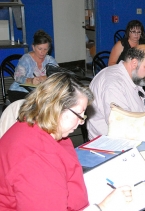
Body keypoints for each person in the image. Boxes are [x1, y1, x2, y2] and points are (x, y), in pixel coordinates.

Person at [0, 73, 133, 210]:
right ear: (58, 109)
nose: (81, 122)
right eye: (79, 114)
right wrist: (104, 206)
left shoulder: (40, 127)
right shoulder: (38, 159)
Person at [86, 45, 145, 211]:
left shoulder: (132, 78)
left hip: (128, 135)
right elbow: (123, 123)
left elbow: (144, 107)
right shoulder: (113, 83)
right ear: (133, 62)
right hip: (109, 145)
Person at [7, 29, 58, 103]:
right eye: (39, 49)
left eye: (45, 49)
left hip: (39, 92)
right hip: (20, 91)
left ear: (48, 49)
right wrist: (30, 81)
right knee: (37, 104)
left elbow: (58, 75)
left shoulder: (50, 60)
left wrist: (45, 78)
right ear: (33, 47)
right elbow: (17, 77)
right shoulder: (26, 59)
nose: (42, 52)